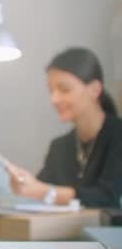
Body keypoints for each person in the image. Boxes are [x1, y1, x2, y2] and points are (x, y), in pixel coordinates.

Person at [8, 47, 122, 208]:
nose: (54, 99)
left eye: (64, 89)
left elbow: (109, 196)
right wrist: (24, 185)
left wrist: (44, 192)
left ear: (95, 89)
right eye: (51, 91)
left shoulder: (117, 136)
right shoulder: (60, 147)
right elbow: (38, 192)